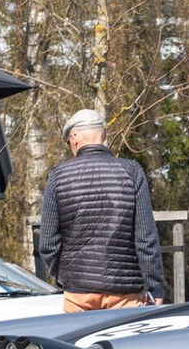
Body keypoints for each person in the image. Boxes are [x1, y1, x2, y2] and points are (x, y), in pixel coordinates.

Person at [39, 108, 166, 313]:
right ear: (104, 135)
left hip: (78, 293)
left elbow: (48, 245)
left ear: (74, 138)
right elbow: (145, 238)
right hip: (125, 292)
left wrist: (65, 277)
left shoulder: (58, 176)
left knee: (80, 336)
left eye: (69, 143)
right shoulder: (132, 172)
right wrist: (155, 287)